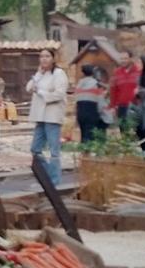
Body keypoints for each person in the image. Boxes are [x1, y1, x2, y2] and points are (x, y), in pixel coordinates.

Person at [26, 48, 68, 185]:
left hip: (52, 115)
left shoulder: (59, 74)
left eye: (47, 56)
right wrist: (38, 74)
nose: (44, 59)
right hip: (40, 116)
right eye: (41, 56)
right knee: (35, 149)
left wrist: (42, 92)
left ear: (53, 58)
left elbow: (59, 94)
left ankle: (54, 180)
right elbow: (29, 87)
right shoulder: (41, 74)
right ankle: (45, 177)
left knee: (53, 150)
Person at [74, 64, 107, 143]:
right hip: (92, 113)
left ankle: (83, 152)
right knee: (91, 136)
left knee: (83, 136)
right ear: (93, 73)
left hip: (80, 113)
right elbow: (101, 103)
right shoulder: (96, 85)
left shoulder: (79, 85)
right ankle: (88, 153)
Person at [109, 51, 140, 125]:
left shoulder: (139, 71)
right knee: (123, 130)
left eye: (125, 58)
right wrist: (113, 106)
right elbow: (113, 90)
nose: (123, 61)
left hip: (135, 106)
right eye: (121, 59)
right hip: (121, 106)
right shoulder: (116, 72)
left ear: (131, 59)